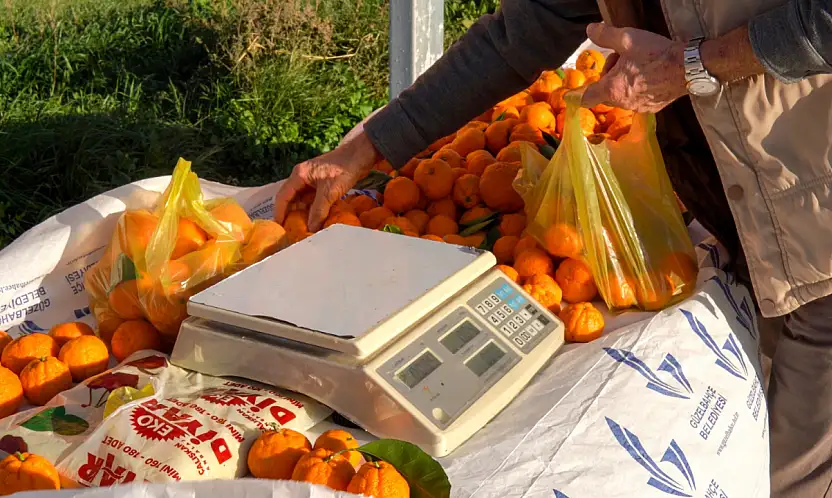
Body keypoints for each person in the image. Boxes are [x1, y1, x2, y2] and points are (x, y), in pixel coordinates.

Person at [275, 1, 832, 495]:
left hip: (819, 221)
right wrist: (366, 148)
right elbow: (519, 33)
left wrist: (695, 64)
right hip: (752, 221)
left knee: (789, 471)